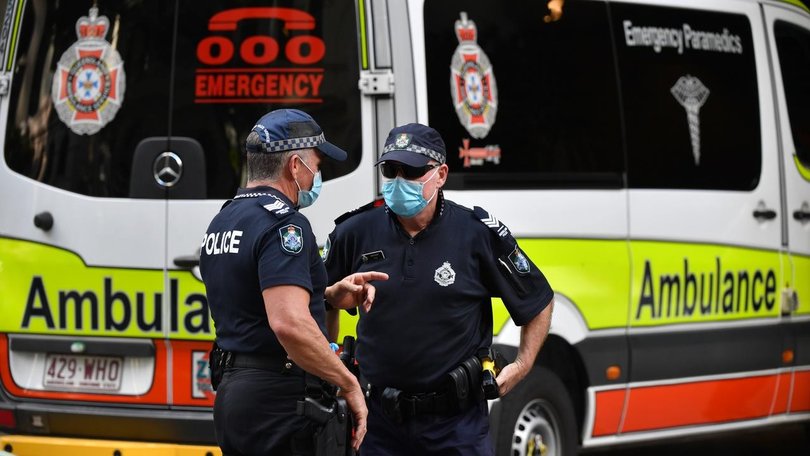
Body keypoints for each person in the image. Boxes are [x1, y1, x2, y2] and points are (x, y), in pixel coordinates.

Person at [323, 123, 554, 455]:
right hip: (377, 423)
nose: (400, 180)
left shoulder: (476, 234)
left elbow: (538, 301)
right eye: (391, 169)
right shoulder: (355, 231)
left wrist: (523, 365)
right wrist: (332, 366)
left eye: (413, 170)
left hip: (456, 424)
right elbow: (319, 299)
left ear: (441, 174)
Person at [199, 109, 387, 455]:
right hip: (280, 401)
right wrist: (347, 384)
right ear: (295, 166)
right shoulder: (285, 225)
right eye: (317, 165)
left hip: (236, 395)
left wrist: (327, 295)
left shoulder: (224, 219)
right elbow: (288, 322)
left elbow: (254, 301)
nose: (318, 175)